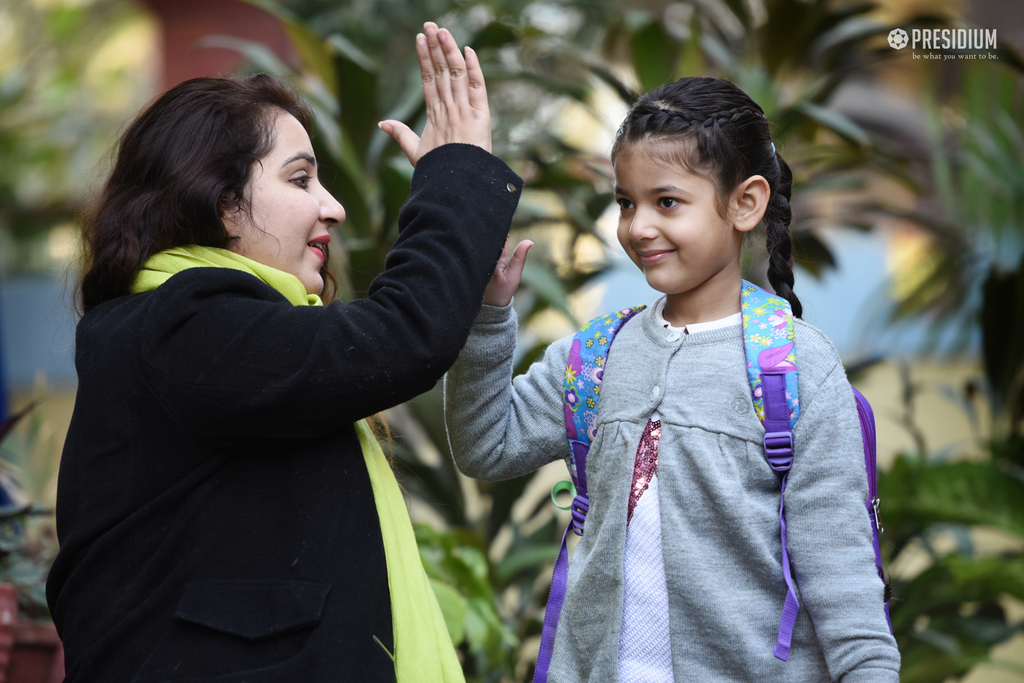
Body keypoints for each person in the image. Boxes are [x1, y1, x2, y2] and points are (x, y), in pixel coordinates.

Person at [46, 23, 520, 682]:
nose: (334, 208)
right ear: (222, 205)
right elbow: (403, 333)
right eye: (300, 179)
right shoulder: (182, 326)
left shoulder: (194, 332)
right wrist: (459, 172)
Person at [444, 76, 901, 682]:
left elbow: (843, 579)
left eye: (667, 202)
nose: (637, 227)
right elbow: (484, 444)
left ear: (745, 203)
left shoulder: (796, 369)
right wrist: (487, 315)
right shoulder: (595, 357)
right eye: (626, 203)